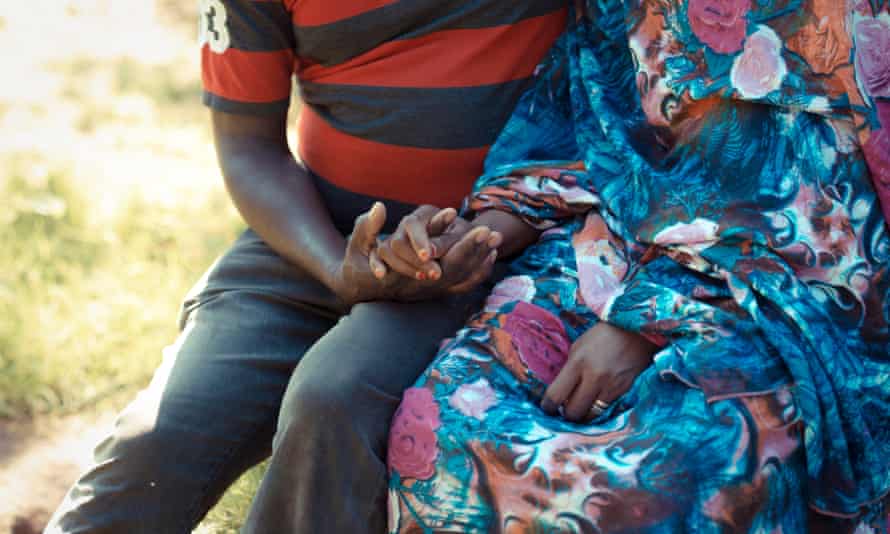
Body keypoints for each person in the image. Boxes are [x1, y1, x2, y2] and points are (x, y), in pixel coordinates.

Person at [45, 1, 568, 533]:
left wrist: (480, 237)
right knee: (158, 436)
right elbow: (249, 146)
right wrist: (333, 265)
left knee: (333, 396)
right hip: (312, 234)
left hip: (482, 251)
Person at [386, 0, 890, 532]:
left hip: (774, 290)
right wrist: (478, 234)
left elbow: (827, 205)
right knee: (442, 428)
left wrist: (652, 315)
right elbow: (589, 105)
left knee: (638, 489)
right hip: (608, 242)